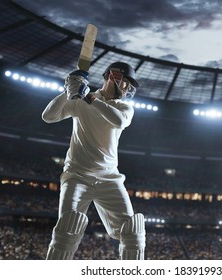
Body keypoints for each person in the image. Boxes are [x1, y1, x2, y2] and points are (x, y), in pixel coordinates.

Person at [41, 62, 145, 260]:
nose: (127, 89)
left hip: (110, 179)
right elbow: (48, 116)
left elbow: (119, 121)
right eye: (126, 83)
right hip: (77, 176)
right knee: (67, 230)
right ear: (113, 76)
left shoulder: (123, 107)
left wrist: (88, 97)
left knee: (132, 233)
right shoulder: (80, 101)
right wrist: (68, 90)